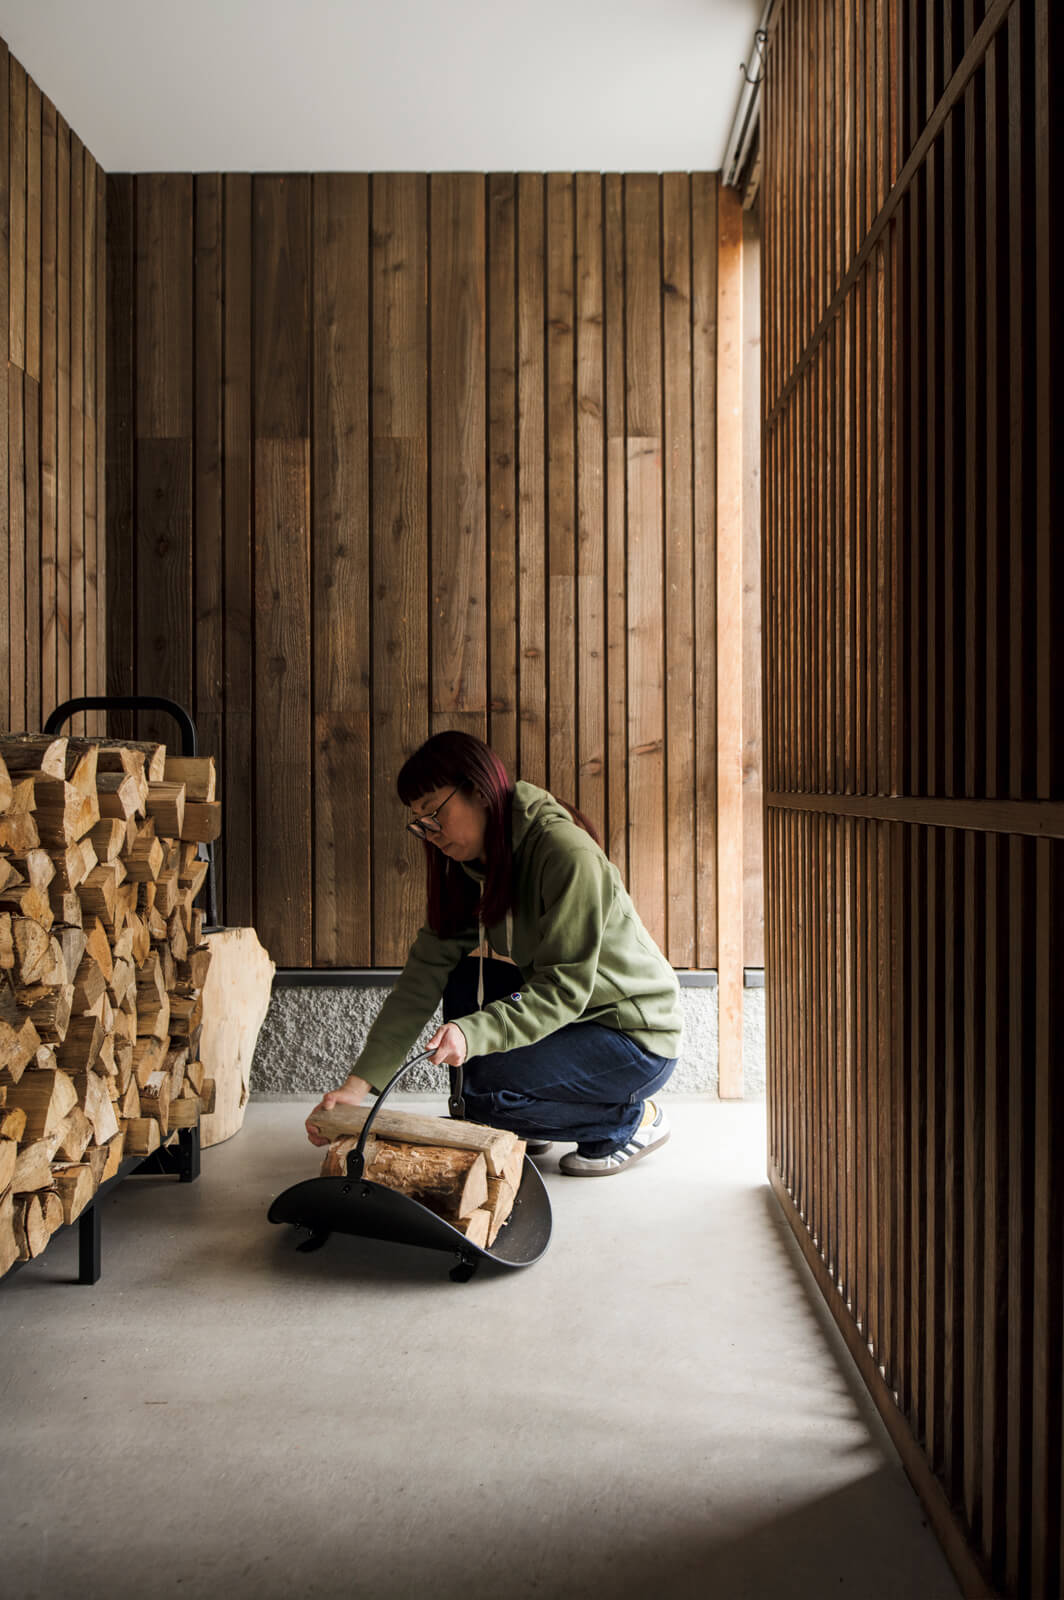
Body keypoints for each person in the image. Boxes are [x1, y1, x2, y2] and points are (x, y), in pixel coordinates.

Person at [306, 732, 682, 1175]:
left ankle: (630, 1121)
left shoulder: (565, 853)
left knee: (479, 1098)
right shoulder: (475, 867)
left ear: (480, 792)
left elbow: (562, 988)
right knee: (463, 984)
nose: (430, 833)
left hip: (632, 1036)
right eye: (420, 823)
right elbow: (422, 978)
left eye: (434, 813)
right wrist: (356, 1087)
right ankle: (535, 1111)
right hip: (576, 1019)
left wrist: (473, 1034)